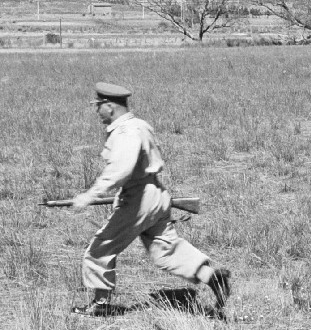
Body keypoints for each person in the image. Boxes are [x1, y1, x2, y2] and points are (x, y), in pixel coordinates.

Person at [69, 82, 232, 317]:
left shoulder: (125, 133)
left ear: (110, 106)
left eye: (98, 107)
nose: (97, 112)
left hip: (138, 199)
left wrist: (90, 195)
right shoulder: (139, 125)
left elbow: (120, 170)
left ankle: (101, 305)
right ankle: (212, 277)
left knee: (100, 249)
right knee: (165, 249)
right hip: (156, 194)